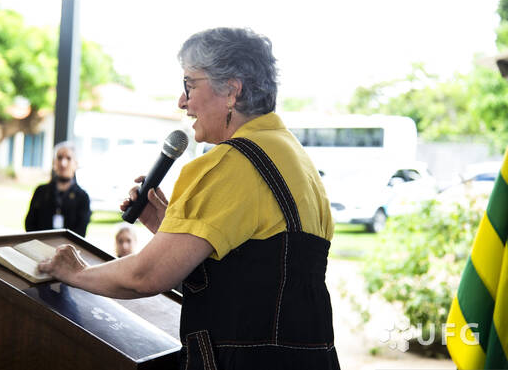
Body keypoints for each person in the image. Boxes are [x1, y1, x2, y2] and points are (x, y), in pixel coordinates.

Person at [38, 27, 340, 369]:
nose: (182, 102)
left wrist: (76, 273)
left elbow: (145, 277)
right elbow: (261, 273)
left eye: (189, 85)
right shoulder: (293, 156)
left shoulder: (229, 163)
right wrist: (171, 230)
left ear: (232, 91)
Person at [25, 141, 92, 237]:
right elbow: (29, 225)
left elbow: (81, 232)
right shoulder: (41, 191)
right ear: (54, 163)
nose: (63, 163)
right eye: (59, 158)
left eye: (68, 158)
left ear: (76, 164)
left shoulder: (83, 197)